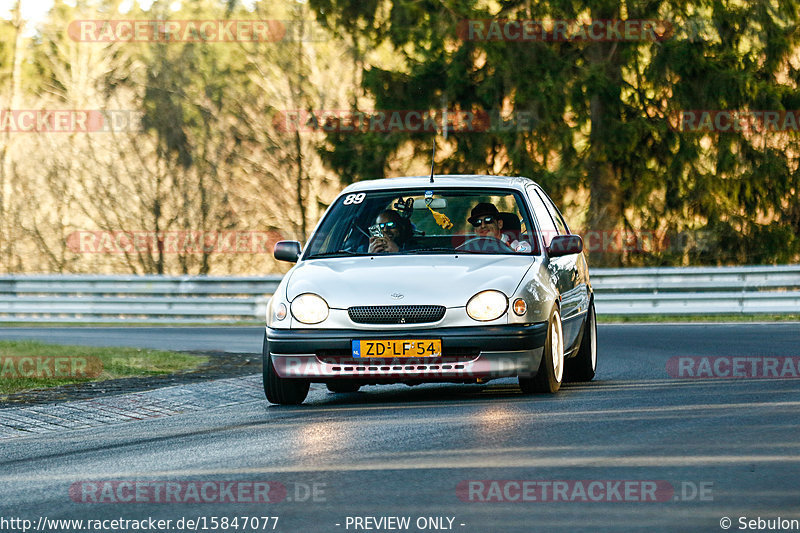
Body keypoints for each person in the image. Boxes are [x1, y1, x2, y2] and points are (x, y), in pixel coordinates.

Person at [467, 202, 531, 252]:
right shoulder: (468, 248)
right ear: (475, 230)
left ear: (499, 224)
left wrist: (511, 251)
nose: (483, 226)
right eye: (477, 222)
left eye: (488, 220)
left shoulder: (515, 245)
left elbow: (525, 257)